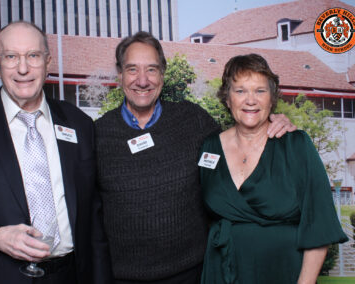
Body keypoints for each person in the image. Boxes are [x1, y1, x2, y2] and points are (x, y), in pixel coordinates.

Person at [95, 32, 296, 283]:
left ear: (163, 74)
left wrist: (271, 123)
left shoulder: (194, 121)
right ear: (120, 74)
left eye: (152, 70)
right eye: (132, 69)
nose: (143, 80)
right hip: (122, 277)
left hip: (193, 273)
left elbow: (238, 153)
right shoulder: (97, 134)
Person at [0, 21, 112, 283]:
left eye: (33, 56)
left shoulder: (79, 123)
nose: (23, 68)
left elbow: (92, 216)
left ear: (48, 62)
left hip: (70, 275)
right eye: (11, 57)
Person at [199, 53, 348, 284]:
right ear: (227, 99)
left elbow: (319, 226)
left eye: (260, 91)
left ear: (272, 99)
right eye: (240, 91)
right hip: (222, 273)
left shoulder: (296, 145)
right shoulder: (209, 148)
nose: (251, 100)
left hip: (285, 273)